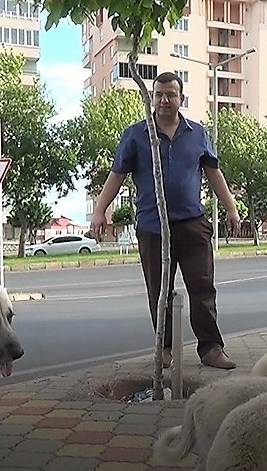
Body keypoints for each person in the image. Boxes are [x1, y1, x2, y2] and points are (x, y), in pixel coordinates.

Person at [90, 71, 241, 370]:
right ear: (151, 98)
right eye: (158, 94)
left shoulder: (197, 133)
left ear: (180, 98)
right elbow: (117, 175)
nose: (164, 100)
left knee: (203, 288)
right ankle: (166, 349)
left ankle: (211, 348)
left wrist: (232, 208)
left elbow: (213, 172)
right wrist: (99, 211)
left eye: (170, 94)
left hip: (193, 224)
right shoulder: (136, 135)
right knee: (160, 293)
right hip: (153, 227)